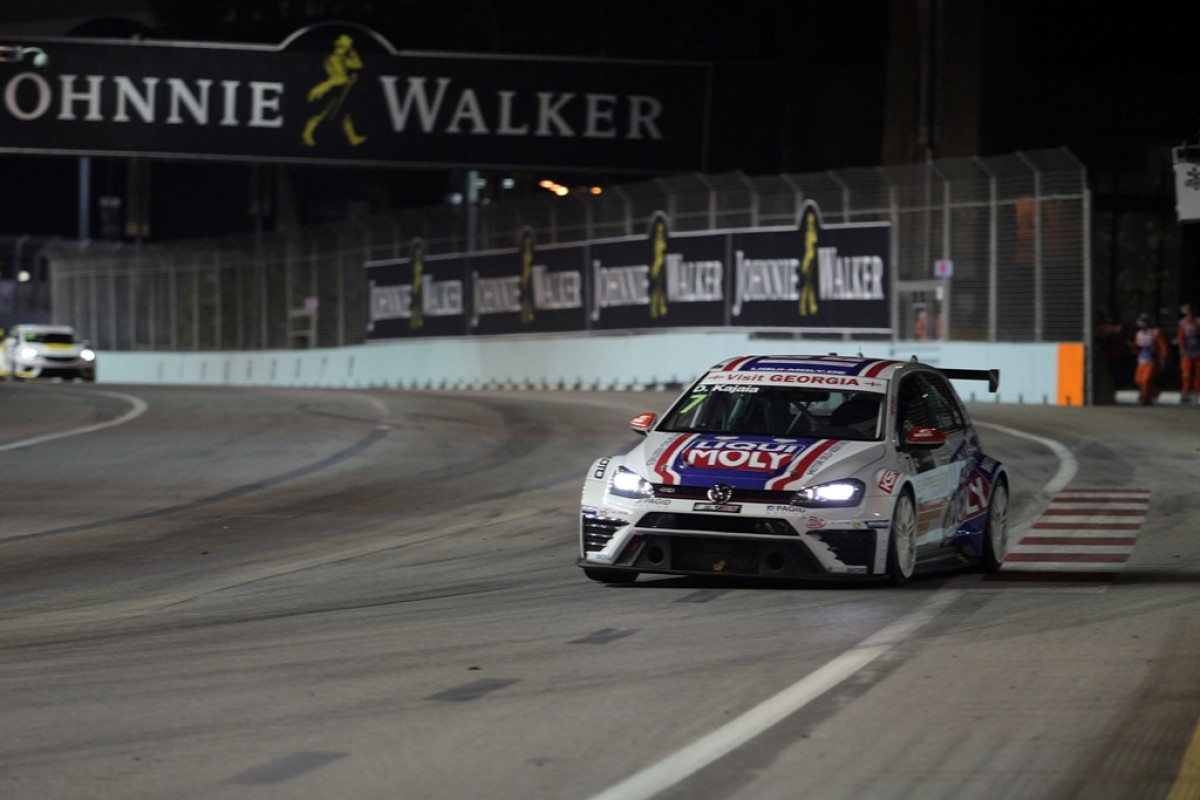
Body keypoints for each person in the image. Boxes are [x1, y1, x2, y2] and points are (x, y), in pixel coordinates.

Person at [1131, 312, 1168, 405]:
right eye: (1142, 321)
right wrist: (1134, 348)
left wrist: (1163, 357)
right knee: (1138, 379)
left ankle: (1145, 397)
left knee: (1146, 379)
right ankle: (1154, 392)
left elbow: (1162, 345)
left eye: (1146, 321)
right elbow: (1136, 347)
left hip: (1152, 360)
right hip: (1141, 360)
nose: (1144, 323)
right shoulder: (1138, 334)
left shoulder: (1155, 332)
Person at [1178, 303, 1200, 403]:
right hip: (1187, 351)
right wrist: (1182, 349)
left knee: (1198, 373)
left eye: (1190, 310)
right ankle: (1186, 392)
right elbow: (1181, 336)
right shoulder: (1182, 323)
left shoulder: (1198, 321)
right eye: (1186, 310)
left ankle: (1197, 392)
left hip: (1198, 350)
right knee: (1186, 373)